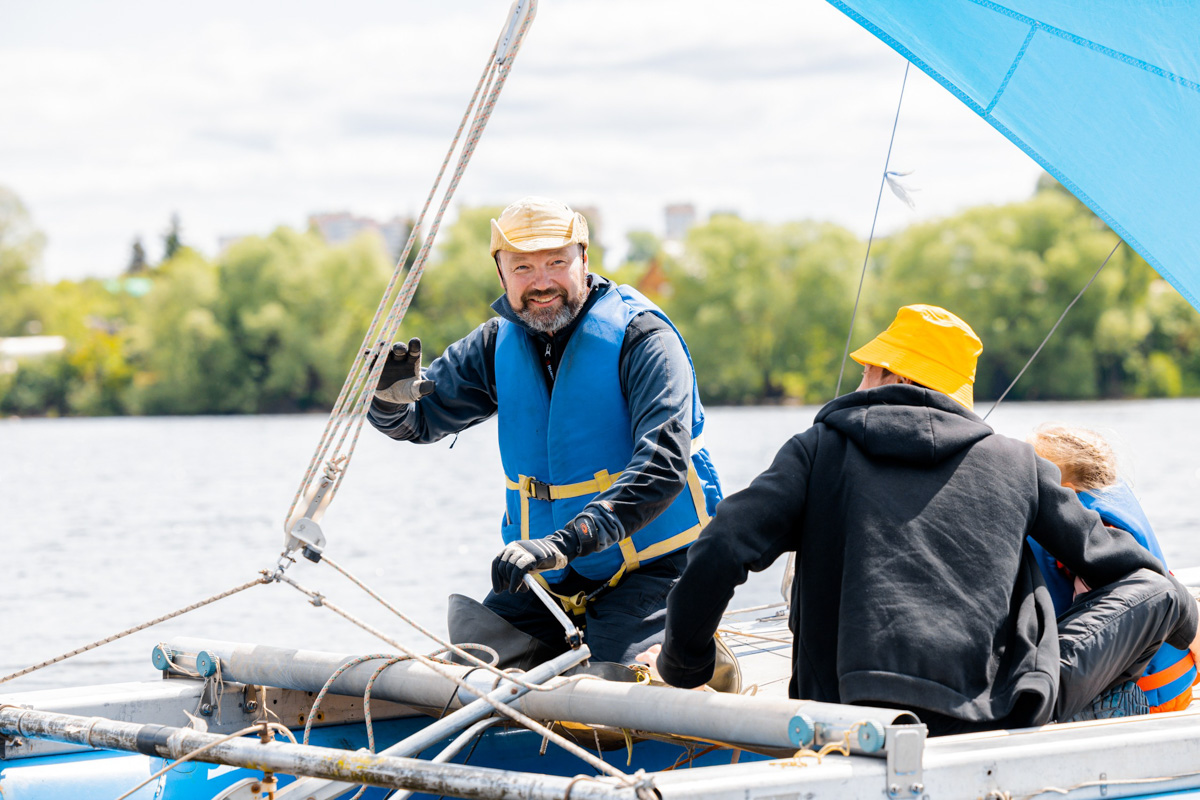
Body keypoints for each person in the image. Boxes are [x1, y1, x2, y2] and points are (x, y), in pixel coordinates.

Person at [648, 303, 1198, 734]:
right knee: (1165, 594)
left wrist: (684, 665)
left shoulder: (816, 451)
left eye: (867, 369)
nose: (859, 380)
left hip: (843, 715)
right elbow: (1130, 571)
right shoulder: (1017, 463)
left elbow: (719, 548)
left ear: (886, 373)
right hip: (994, 715)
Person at [369, 196, 722, 666]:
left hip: (656, 566)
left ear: (584, 261)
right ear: (501, 274)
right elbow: (420, 420)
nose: (541, 283)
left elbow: (663, 464)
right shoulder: (496, 344)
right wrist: (387, 403)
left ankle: (710, 664)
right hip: (552, 576)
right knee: (472, 666)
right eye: (523, 268)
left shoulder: (644, 338)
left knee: (618, 686)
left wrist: (566, 541)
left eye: (557, 263)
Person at [1028, 424, 1197, 713]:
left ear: (1062, 491)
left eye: (1035, 476)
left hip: (1139, 697)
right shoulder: (1115, 523)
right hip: (1174, 687)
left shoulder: (1086, 537)